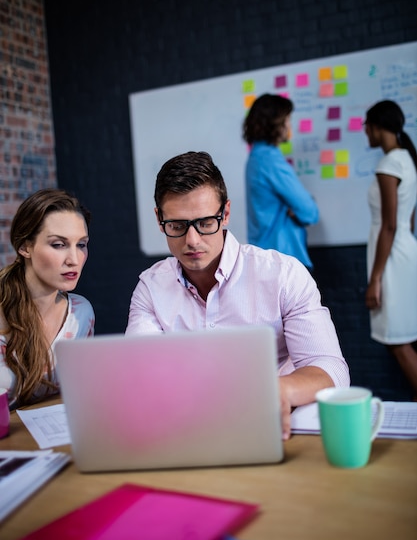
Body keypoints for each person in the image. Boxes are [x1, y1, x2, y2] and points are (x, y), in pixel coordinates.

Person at [126, 151, 350, 439]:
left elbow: (331, 368)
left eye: (206, 223)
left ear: (226, 213)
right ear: (160, 219)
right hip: (186, 431)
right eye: (178, 226)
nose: (192, 241)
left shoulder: (283, 275)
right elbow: (140, 373)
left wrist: (279, 389)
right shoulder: (151, 288)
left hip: (270, 429)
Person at [0, 188, 95, 408]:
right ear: (25, 246)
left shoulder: (81, 313)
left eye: (81, 245)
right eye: (58, 244)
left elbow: (81, 392)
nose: (74, 259)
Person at [363, 99, 417, 398]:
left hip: (393, 259)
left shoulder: (389, 164)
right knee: (404, 339)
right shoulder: (407, 158)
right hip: (406, 252)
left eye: (365, 127)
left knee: (398, 343)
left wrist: (375, 279)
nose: (365, 133)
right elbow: (407, 220)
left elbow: (390, 224)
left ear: (376, 127)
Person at [243, 93, 319, 270]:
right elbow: (309, 212)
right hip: (284, 261)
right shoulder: (270, 160)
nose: (289, 126)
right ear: (274, 123)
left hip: (266, 259)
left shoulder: (255, 156)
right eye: (287, 120)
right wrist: (301, 207)